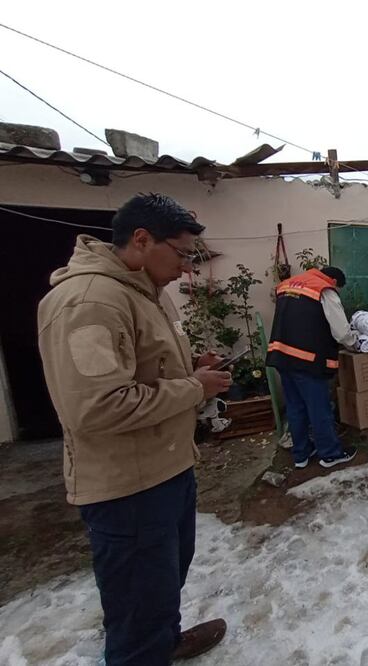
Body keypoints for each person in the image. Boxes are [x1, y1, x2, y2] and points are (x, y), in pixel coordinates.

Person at [37, 194, 230, 665]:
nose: (187, 269)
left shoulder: (144, 292)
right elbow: (98, 408)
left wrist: (192, 367)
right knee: (136, 599)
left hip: (167, 470)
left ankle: (164, 639)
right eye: (182, 255)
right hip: (129, 487)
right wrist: (194, 387)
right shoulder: (88, 302)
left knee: (162, 581)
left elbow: (146, 367)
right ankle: (145, 649)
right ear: (142, 240)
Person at [266, 265, 359, 468]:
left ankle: (301, 455)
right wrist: (355, 344)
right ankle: (330, 454)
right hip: (307, 360)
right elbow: (342, 332)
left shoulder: (286, 285)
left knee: (295, 407)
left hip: (282, 356)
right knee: (319, 408)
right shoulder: (324, 290)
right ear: (334, 282)